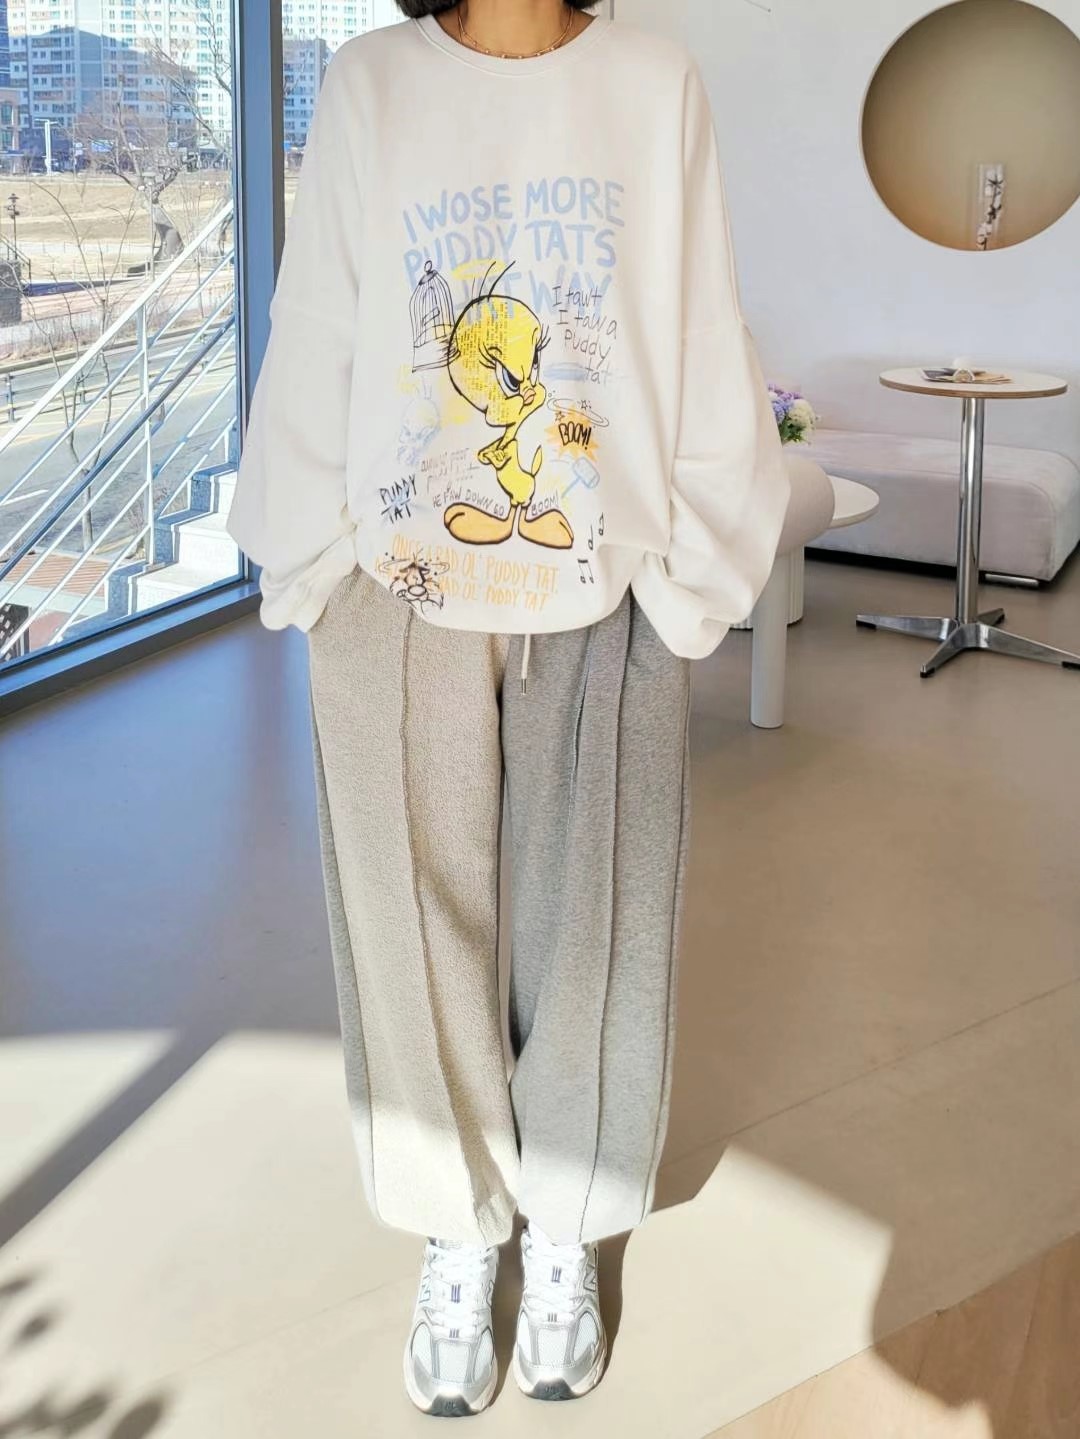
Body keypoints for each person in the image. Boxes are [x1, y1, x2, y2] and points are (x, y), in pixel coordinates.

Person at [227, 0, 788, 1418]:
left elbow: (700, 321)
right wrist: (307, 553)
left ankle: (563, 1229)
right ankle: (454, 1224)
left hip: (604, 574)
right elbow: (321, 315)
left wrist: (694, 566)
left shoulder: (653, 81)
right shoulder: (372, 81)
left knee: (599, 923)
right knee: (410, 920)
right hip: (394, 578)